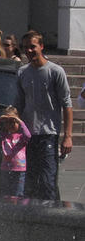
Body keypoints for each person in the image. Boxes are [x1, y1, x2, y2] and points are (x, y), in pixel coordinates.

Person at [14, 30, 73, 200]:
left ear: (41, 46)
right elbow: (19, 103)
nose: (29, 51)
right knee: (30, 182)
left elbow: (67, 105)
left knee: (48, 181)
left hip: (48, 134)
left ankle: (53, 218)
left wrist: (67, 136)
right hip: (27, 135)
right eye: (26, 48)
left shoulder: (55, 71)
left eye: (33, 47)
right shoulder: (22, 72)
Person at [0, 106, 31, 197]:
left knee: (18, 193)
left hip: (19, 170)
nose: (10, 125)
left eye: (13, 122)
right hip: (5, 169)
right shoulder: (3, 136)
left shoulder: (21, 137)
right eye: (7, 122)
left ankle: (17, 209)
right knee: (5, 192)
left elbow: (28, 135)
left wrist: (19, 121)